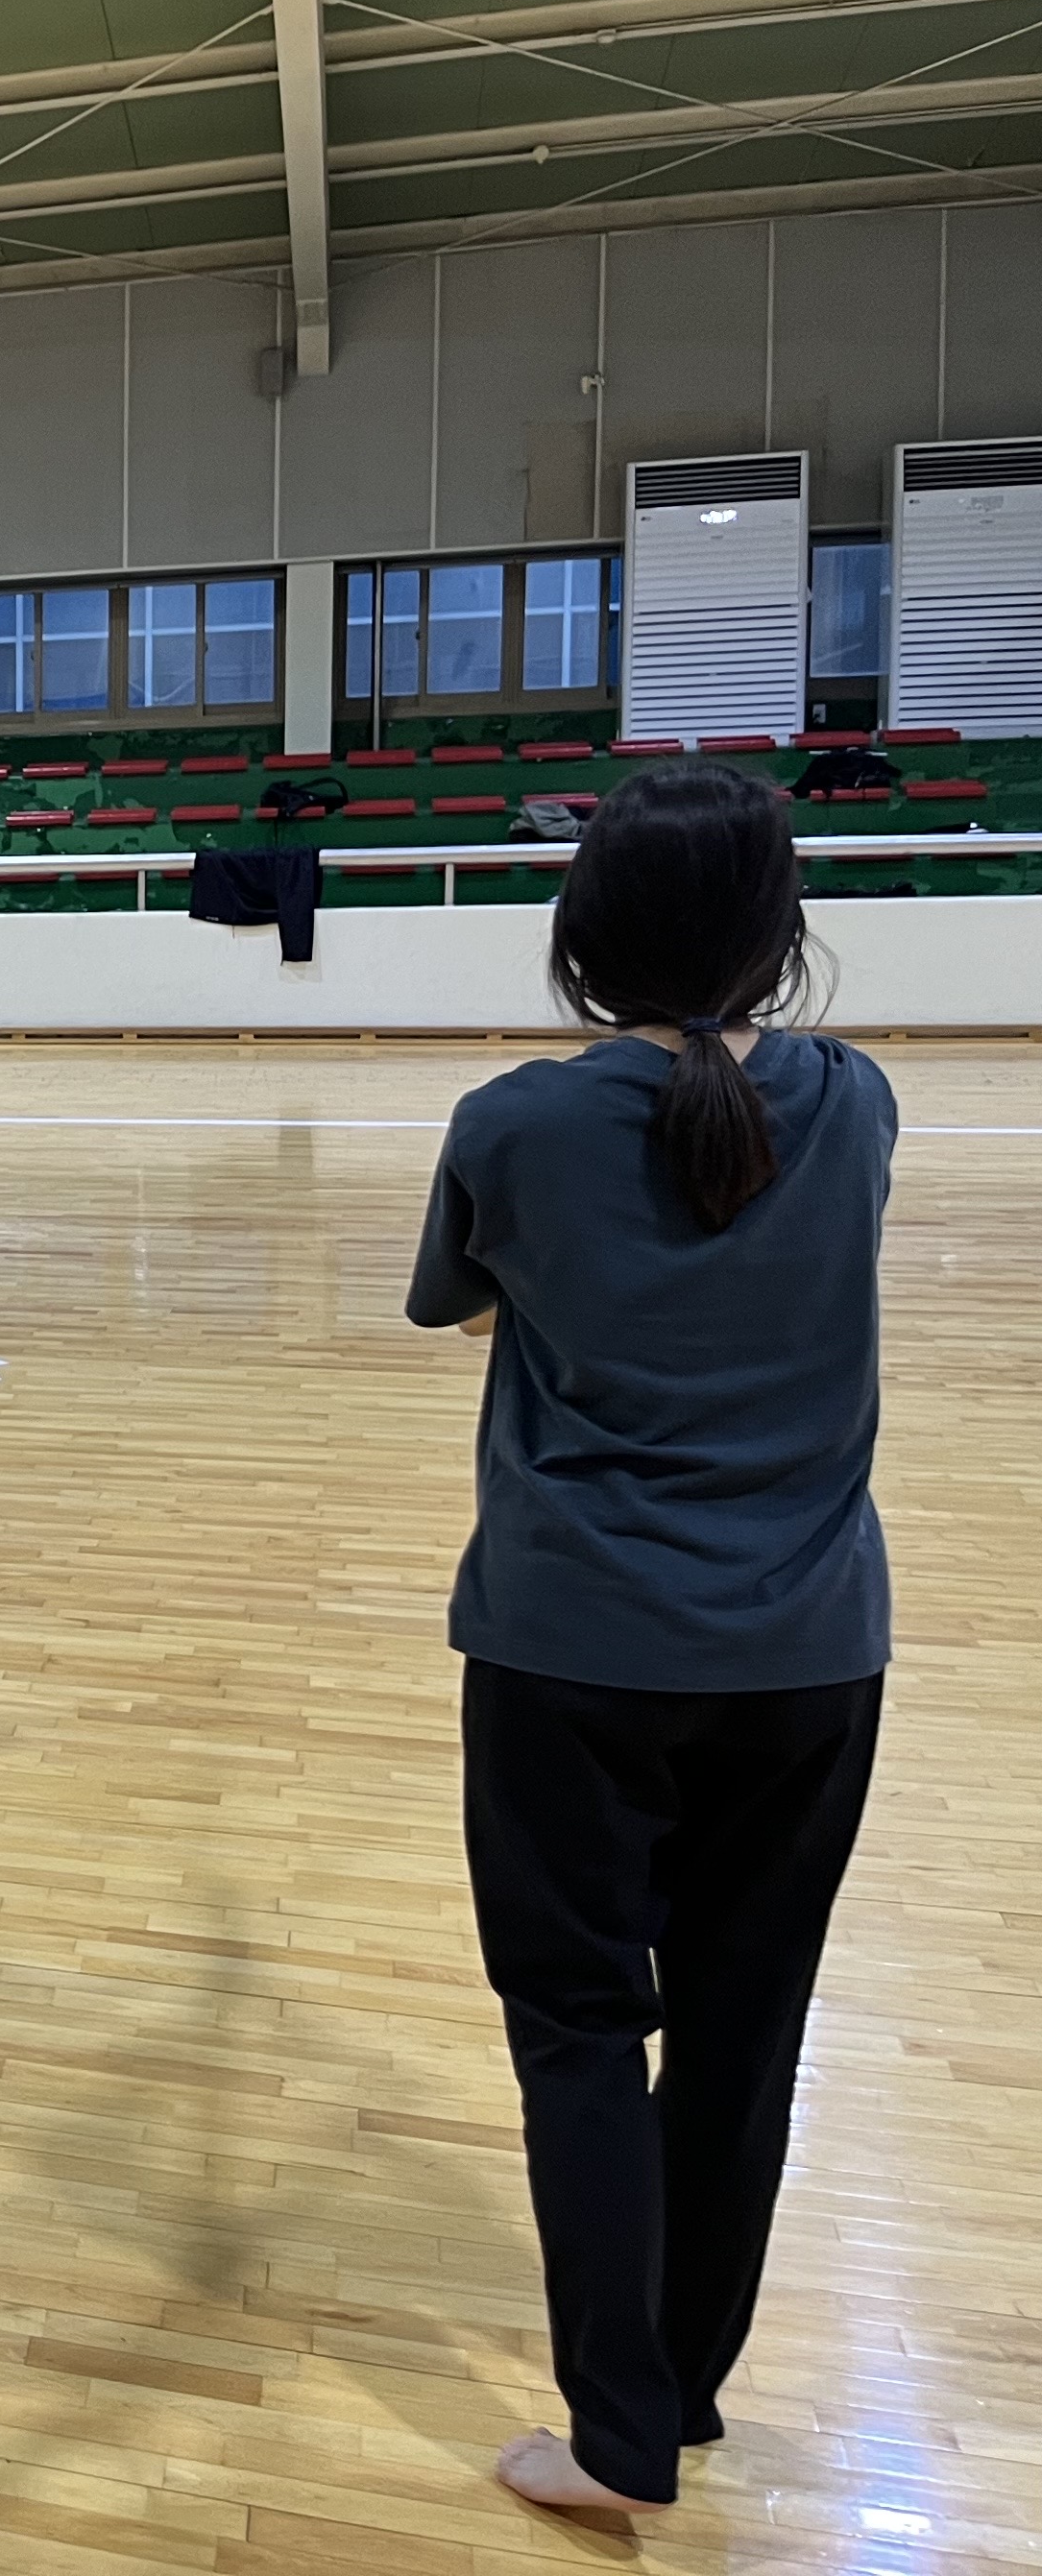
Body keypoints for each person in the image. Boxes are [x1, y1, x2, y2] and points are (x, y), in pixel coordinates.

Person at [406, 763, 896, 2520]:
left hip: (570, 1643)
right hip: (810, 1650)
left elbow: (460, 1302)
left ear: (583, 932)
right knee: (744, 2033)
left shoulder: (514, 1122)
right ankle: (678, 2396)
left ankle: (616, 2434)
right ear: (780, 933)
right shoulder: (857, 1099)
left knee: (577, 2029)